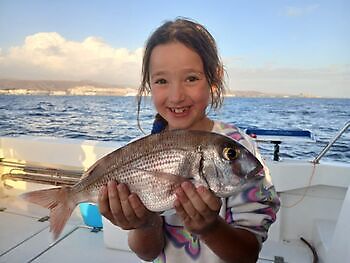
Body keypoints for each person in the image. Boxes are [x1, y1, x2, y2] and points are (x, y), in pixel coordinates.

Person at [98, 18, 280, 263]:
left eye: (191, 78)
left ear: (214, 79)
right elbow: (147, 253)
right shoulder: (142, 150)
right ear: (148, 85)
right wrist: (144, 223)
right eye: (162, 81)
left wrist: (211, 228)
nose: (176, 95)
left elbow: (247, 255)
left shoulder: (238, 149)